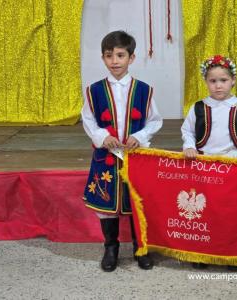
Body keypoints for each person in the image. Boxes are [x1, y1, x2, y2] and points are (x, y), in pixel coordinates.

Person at [81, 30, 163, 272]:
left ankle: (141, 247)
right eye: (109, 55)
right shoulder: (93, 90)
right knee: (108, 208)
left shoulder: (144, 90)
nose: (114, 61)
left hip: (135, 159)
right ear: (103, 58)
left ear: (132, 58)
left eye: (120, 55)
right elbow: (88, 120)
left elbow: (155, 121)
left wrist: (139, 136)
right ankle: (111, 247)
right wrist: (102, 137)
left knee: (137, 201)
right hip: (105, 159)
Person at [181, 55, 237, 271]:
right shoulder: (198, 107)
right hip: (205, 166)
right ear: (205, 81)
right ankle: (202, 253)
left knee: (232, 213)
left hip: (235, 165)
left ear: (233, 80)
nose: (218, 85)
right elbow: (187, 131)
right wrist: (189, 147)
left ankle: (233, 255)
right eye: (212, 81)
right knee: (206, 212)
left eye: (223, 80)